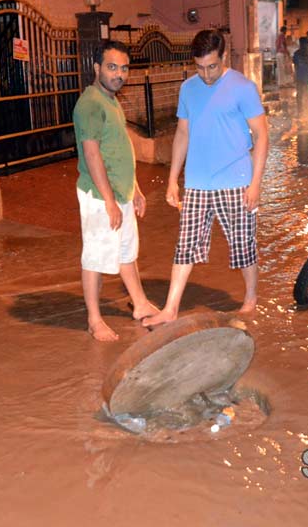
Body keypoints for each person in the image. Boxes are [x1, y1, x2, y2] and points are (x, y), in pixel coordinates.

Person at [143, 29, 268, 328]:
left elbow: (262, 136)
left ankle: (250, 298)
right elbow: (182, 134)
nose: (206, 74)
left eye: (212, 66)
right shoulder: (188, 89)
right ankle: (170, 309)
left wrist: (256, 184)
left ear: (223, 57)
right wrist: (173, 179)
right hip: (197, 183)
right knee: (185, 245)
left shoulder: (243, 87)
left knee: (242, 244)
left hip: (237, 181)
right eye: (200, 67)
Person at [72, 40, 158, 341]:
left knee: (126, 252)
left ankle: (141, 304)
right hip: (99, 197)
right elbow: (93, 154)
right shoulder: (91, 103)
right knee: (95, 257)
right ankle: (94, 320)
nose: (118, 74)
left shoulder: (111, 100)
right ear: (97, 68)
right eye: (112, 67)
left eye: (123, 68)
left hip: (120, 193)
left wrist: (135, 188)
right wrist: (108, 200)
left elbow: (118, 148)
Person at [292, 36, 308, 115]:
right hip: (300, 77)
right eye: (302, 44)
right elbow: (295, 66)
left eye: (305, 44)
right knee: (300, 94)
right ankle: (300, 111)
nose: (304, 46)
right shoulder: (297, 54)